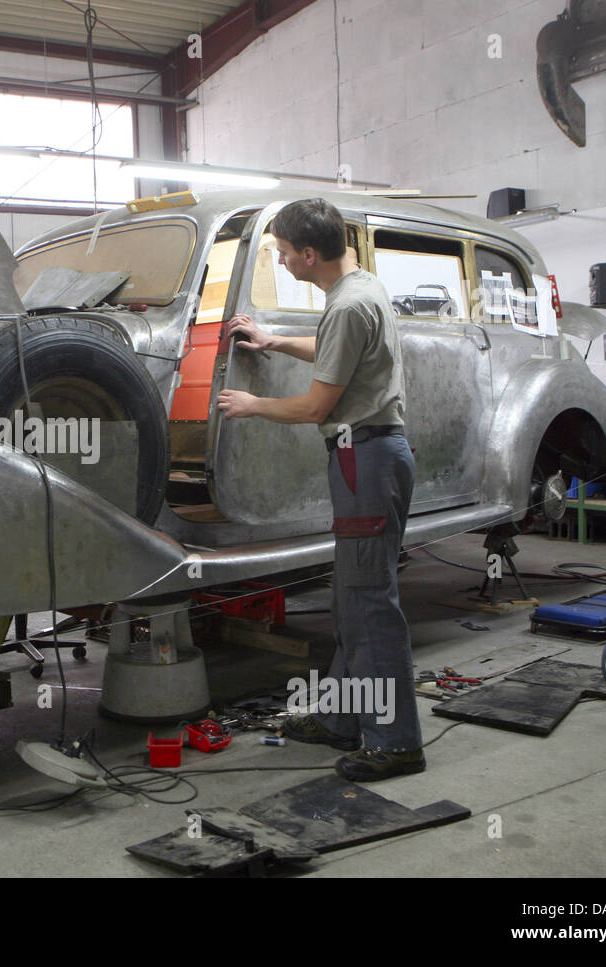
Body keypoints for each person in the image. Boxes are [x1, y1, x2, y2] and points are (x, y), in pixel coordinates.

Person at [216, 198, 423, 781]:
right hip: (374, 454)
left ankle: (396, 742)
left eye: (283, 253)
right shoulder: (358, 289)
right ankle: (340, 719)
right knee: (353, 598)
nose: (280, 262)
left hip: (364, 456)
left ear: (310, 254)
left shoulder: (350, 305)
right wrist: (273, 340)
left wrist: (254, 404)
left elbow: (315, 405)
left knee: (368, 603)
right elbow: (339, 353)